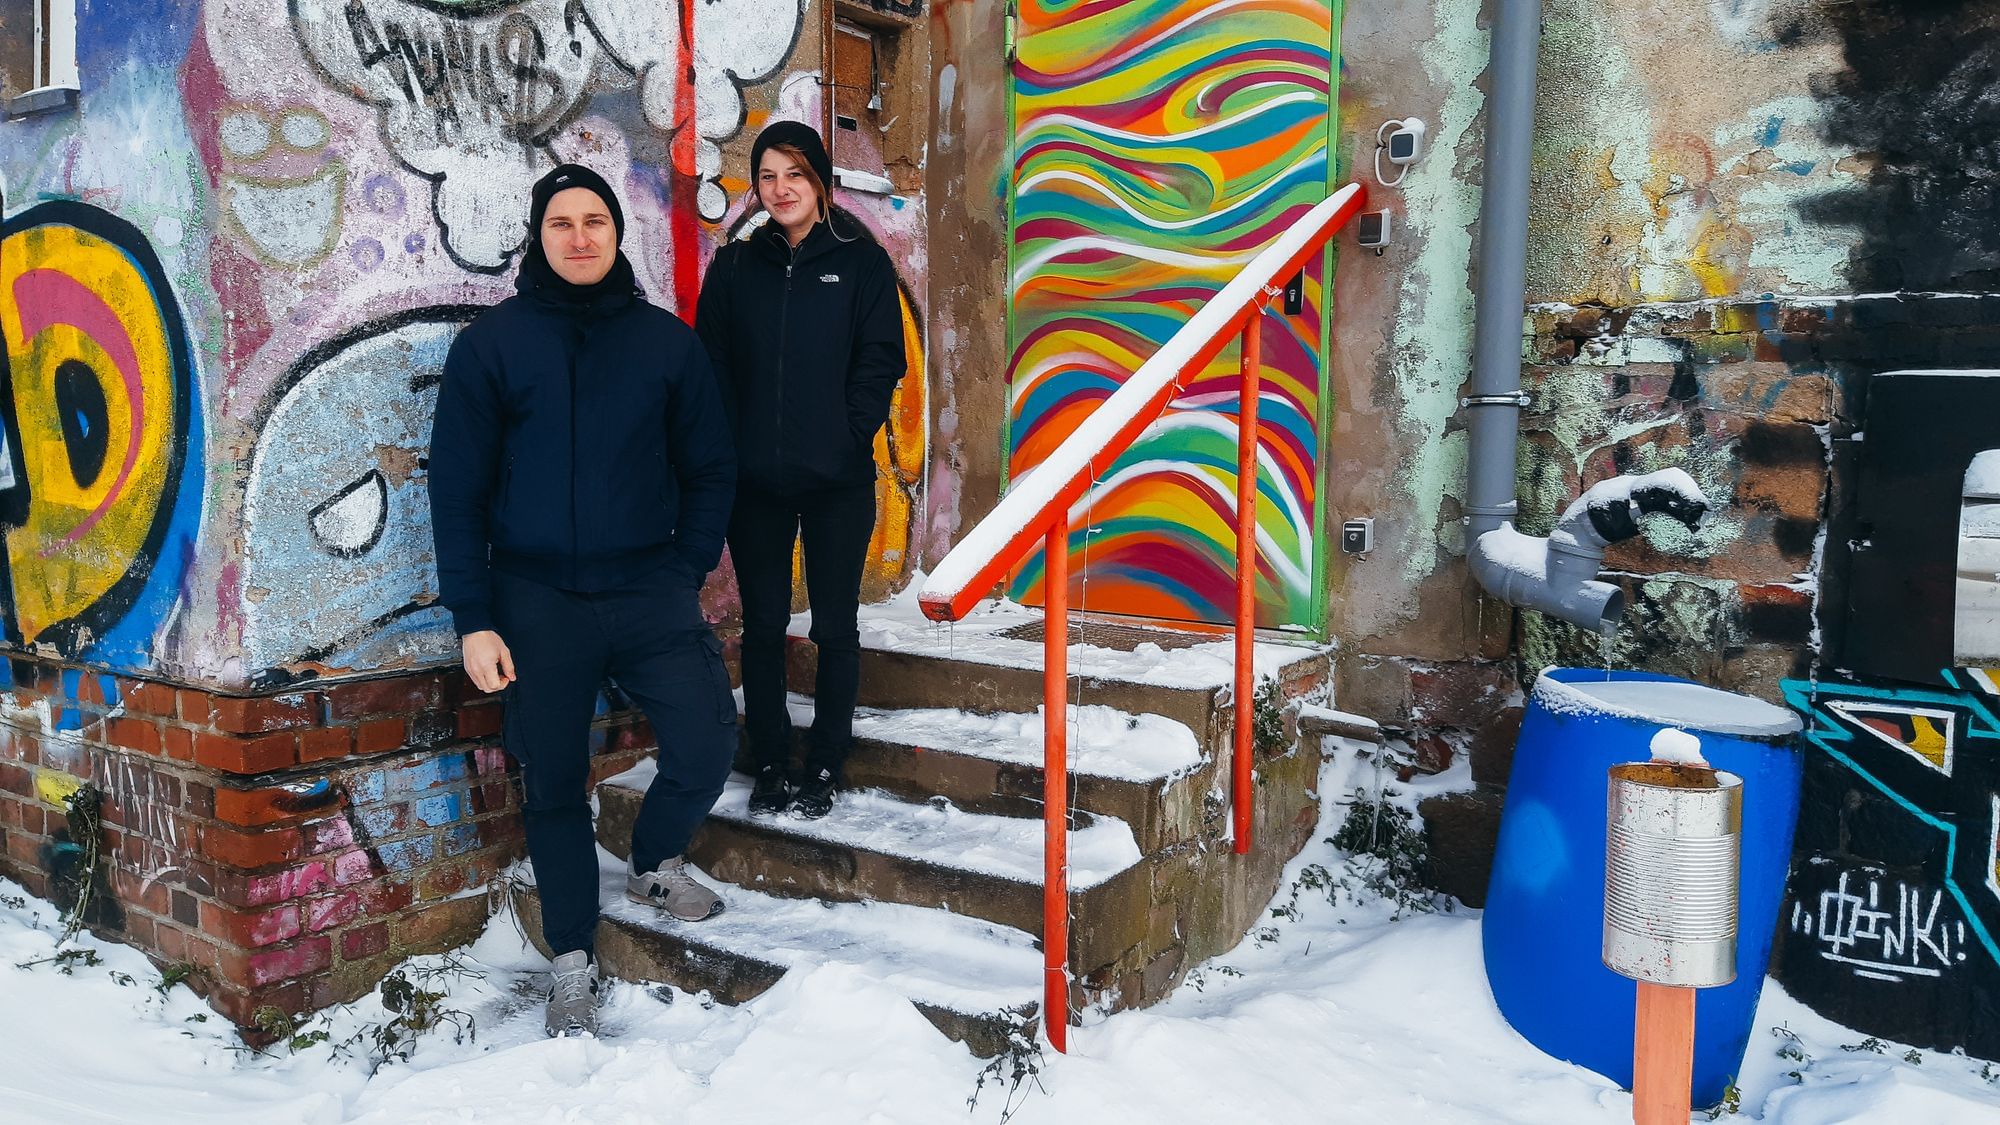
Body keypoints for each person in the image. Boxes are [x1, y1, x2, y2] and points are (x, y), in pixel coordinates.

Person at [428, 163, 738, 1038]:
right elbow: (456, 491)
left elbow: (711, 466)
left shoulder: (666, 344)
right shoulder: (493, 347)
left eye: (593, 219)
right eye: (560, 222)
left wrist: (685, 566)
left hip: (650, 587)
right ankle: (571, 954)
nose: (578, 236)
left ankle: (653, 856)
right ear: (540, 235)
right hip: (536, 599)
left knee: (708, 741)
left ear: (614, 231)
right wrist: (474, 617)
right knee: (554, 779)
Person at [695, 122, 906, 820]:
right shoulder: (734, 268)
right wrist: (730, 447)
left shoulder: (861, 261)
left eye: (795, 174)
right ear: (754, 187)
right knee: (761, 626)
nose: (780, 189)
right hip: (755, 483)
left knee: (834, 626)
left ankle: (825, 758)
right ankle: (772, 758)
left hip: (838, 483)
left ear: (819, 181)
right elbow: (712, 365)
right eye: (767, 176)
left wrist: (848, 438)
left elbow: (881, 360)